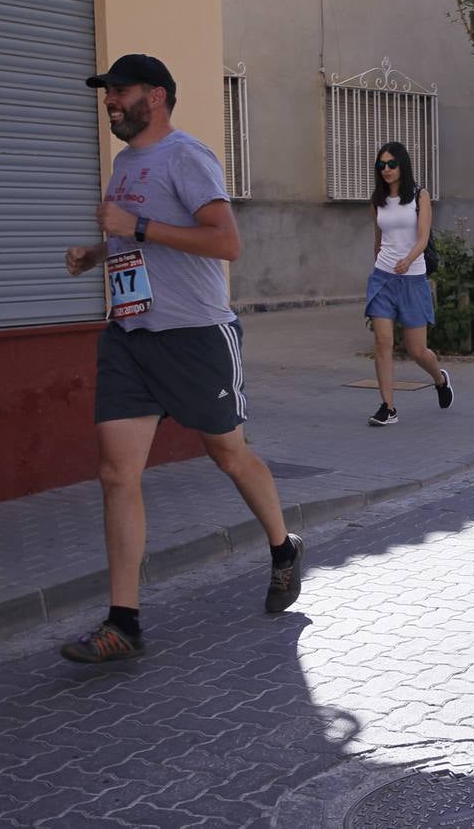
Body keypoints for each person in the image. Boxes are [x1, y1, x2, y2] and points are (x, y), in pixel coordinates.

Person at [60, 54, 303, 663]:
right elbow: (134, 236)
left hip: (195, 337)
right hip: (131, 336)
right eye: (107, 92)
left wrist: (135, 227)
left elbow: (226, 242)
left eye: (121, 91)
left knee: (228, 453)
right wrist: (98, 252)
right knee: (117, 474)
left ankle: (282, 546)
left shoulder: (187, 156)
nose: (111, 100)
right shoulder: (124, 163)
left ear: (158, 96)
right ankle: (124, 623)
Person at [365, 141, 454, 426]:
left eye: (391, 164)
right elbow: (378, 239)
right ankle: (388, 408)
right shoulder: (376, 199)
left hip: (412, 278)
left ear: (402, 165)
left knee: (416, 350)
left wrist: (407, 259)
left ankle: (439, 379)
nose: (386, 170)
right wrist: (380, 260)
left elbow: (423, 237)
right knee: (382, 342)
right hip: (382, 278)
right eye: (381, 165)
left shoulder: (419, 195)